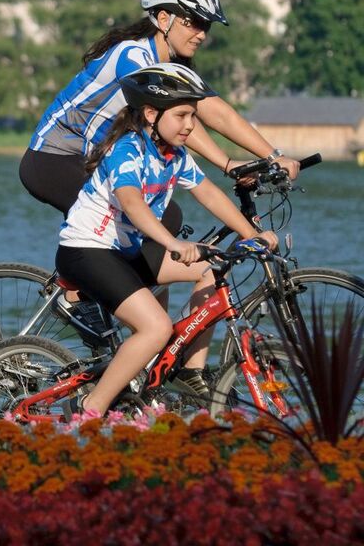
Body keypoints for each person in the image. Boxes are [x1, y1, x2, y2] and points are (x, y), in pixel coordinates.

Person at [55, 63, 278, 414]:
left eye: (193, 116)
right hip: (87, 250)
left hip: (126, 250)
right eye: (181, 116)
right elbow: (132, 204)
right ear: (151, 114)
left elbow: (208, 192)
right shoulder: (127, 150)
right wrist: (173, 244)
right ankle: (90, 407)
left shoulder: (174, 155)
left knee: (212, 267)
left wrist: (253, 235)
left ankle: (191, 371)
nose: (190, 125)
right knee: (156, 328)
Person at [20, 0, 300, 219]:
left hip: (90, 161)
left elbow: (218, 113)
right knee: (155, 221)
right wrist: (227, 165)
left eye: (206, 26)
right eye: (193, 22)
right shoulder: (133, 56)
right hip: (53, 159)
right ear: (164, 18)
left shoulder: (171, 68)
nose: (202, 34)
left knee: (167, 216)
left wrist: (273, 156)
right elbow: (178, 119)